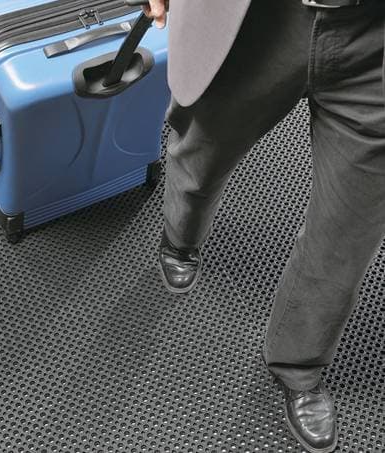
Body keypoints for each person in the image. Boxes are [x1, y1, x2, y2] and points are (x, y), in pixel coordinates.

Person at [142, 0, 385, 452]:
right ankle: (179, 238)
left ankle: (299, 364)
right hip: (258, 16)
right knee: (202, 152)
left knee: (349, 230)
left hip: (375, 38)